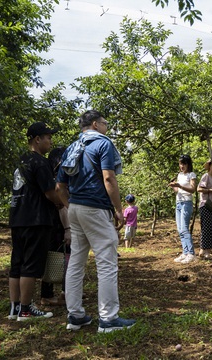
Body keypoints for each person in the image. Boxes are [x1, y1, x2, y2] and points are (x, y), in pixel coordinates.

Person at [56, 110, 136, 332]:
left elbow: (59, 187)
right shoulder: (103, 144)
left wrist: (71, 206)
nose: (107, 127)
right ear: (95, 124)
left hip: (75, 209)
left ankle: (75, 315)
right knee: (107, 261)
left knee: (76, 261)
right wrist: (118, 210)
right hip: (95, 208)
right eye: (105, 123)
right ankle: (109, 319)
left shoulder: (72, 148)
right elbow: (108, 177)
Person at [8, 122, 61, 321]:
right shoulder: (40, 162)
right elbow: (50, 193)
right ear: (37, 139)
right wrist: (62, 203)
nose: (50, 141)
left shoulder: (20, 161)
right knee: (30, 265)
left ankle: (15, 308)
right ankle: (26, 309)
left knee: (17, 264)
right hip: (36, 219)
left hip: (18, 218)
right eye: (48, 137)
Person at [40, 146, 70, 306]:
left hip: (54, 224)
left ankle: (65, 292)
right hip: (56, 225)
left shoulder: (51, 177)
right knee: (58, 257)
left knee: (61, 257)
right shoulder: (56, 180)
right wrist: (68, 229)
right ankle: (48, 294)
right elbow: (61, 206)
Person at [168, 154, 197, 264]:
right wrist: (174, 186)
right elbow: (178, 190)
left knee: (184, 228)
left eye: (184, 163)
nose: (181, 166)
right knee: (180, 229)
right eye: (180, 164)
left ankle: (191, 253)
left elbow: (192, 189)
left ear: (188, 164)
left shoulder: (191, 175)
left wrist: (180, 186)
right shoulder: (180, 175)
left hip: (186, 203)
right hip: (179, 203)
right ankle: (185, 253)